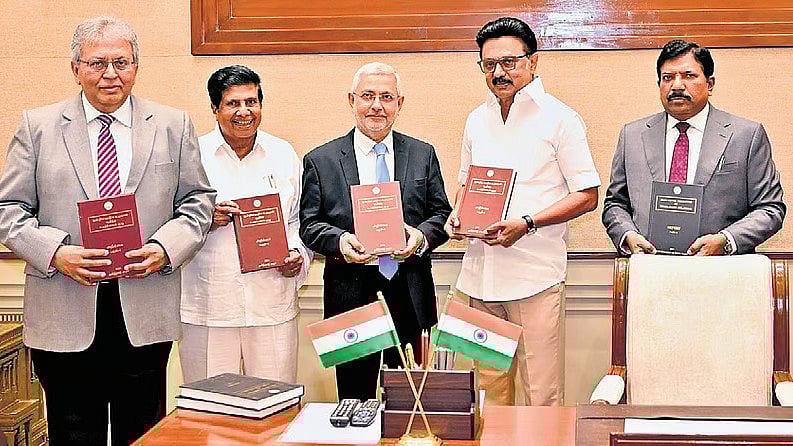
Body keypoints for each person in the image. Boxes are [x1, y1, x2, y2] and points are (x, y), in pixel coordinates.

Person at [0, 17, 215, 445]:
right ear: (76, 68)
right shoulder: (37, 127)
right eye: (97, 63)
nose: (110, 74)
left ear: (136, 66)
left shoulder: (172, 125)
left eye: (121, 62)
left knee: (144, 434)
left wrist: (165, 248)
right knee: (74, 434)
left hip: (144, 309)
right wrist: (55, 253)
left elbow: (198, 201)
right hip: (64, 307)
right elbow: (9, 209)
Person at [445, 17, 600, 406]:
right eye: (489, 64)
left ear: (533, 61)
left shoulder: (561, 118)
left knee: (540, 395)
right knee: (486, 395)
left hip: (534, 278)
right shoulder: (476, 119)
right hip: (479, 278)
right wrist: (457, 215)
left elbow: (587, 195)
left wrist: (527, 223)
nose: (499, 72)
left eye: (509, 62)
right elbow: (466, 183)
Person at [300, 62, 452, 400]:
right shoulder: (321, 160)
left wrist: (420, 237)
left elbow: (441, 213)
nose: (376, 106)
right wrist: (340, 240)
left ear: (400, 103)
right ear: (352, 100)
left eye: (386, 97)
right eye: (368, 96)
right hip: (350, 294)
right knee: (355, 400)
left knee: (411, 400)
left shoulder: (422, 154)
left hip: (410, 291)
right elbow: (309, 224)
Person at [179, 65, 310, 385]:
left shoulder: (283, 153)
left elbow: (297, 219)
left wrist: (297, 254)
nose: (244, 111)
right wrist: (205, 219)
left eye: (251, 102)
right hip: (209, 307)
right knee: (210, 409)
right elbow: (170, 220)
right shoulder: (191, 155)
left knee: (275, 404)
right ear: (215, 108)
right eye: (233, 103)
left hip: (271, 305)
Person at [602, 39, 785, 256]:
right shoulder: (632, 135)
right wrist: (627, 234)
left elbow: (770, 208)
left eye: (689, 76)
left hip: (721, 268)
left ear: (710, 84)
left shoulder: (746, 135)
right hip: (650, 265)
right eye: (668, 77)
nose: (677, 86)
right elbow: (615, 203)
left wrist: (726, 240)